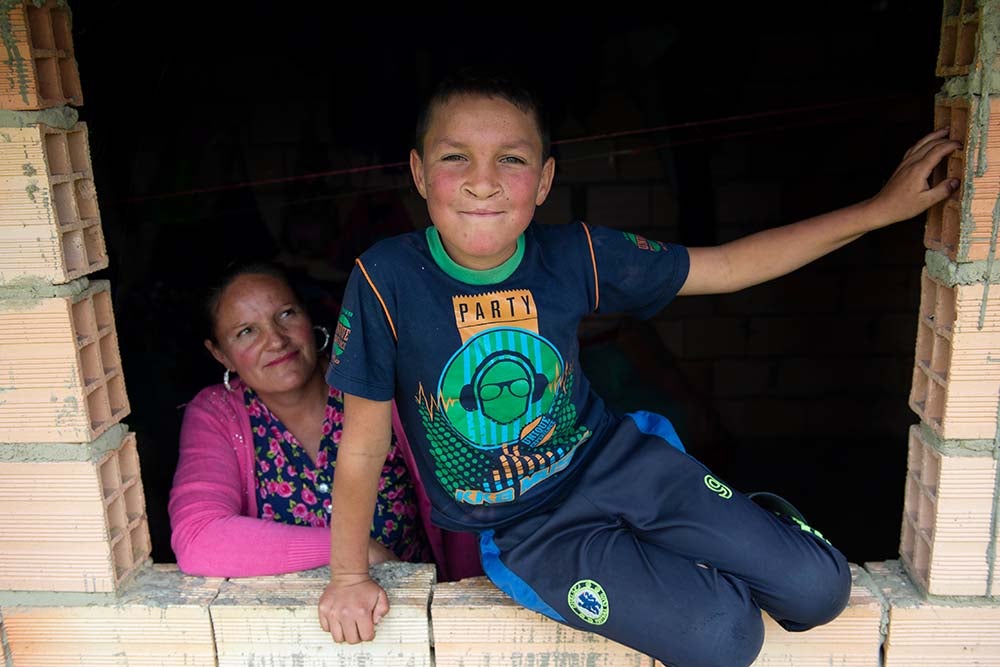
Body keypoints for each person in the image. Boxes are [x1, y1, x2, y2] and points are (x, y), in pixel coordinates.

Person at [316, 70, 960, 666]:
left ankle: (744, 535)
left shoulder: (575, 255)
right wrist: (348, 577)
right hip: (529, 528)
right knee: (728, 637)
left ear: (543, 181)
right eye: (456, 156)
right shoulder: (386, 280)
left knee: (820, 588)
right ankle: (684, 567)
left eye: (510, 159)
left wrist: (883, 209)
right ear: (419, 172)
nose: (482, 180)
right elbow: (364, 447)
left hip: (620, 462)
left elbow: (729, 267)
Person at [168, 262, 481, 579]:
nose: (276, 340)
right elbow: (198, 540)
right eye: (246, 331)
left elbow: (466, 509)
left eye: (286, 314)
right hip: (282, 622)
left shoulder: (376, 384)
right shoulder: (217, 414)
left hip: (418, 608)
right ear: (220, 354)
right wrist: (353, 550)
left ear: (308, 315)